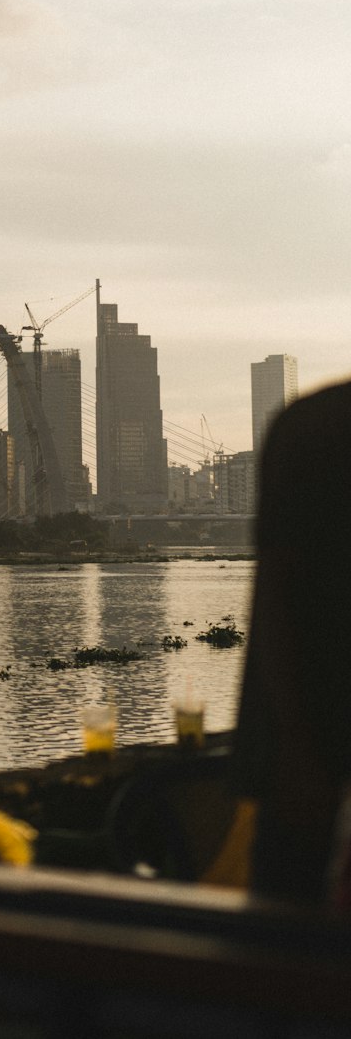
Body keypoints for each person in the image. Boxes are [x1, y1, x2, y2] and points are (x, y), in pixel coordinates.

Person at [234, 382, 351, 904]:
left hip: (297, 755)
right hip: (309, 751)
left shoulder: (308, 422)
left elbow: (271, 602)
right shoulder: (319, 427)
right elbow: (279, 603)